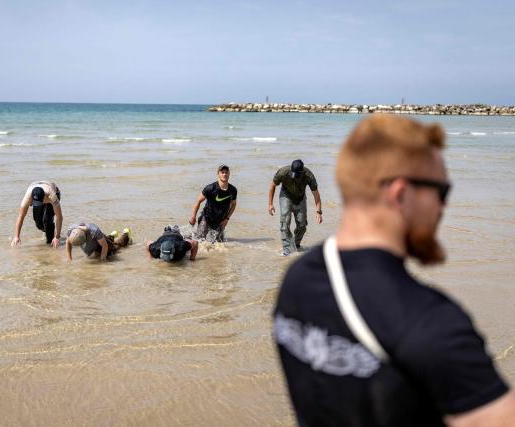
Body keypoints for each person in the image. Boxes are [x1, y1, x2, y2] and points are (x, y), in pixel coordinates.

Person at [273, 115, 515, 426]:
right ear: (400, 194)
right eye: (441, 192)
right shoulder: (431, 322)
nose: (443, 208)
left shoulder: (296, 282)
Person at [268, 159, 322, 256]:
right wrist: (270, 204)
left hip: (300, 198)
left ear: (302, 172)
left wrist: (318, 211)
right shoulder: (283, 172)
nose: (294, 177)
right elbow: (272, 185)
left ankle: (295, 245)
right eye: (293, 174)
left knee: (302, 225)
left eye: (296, 175)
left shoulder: (308, 175)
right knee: (285, 221)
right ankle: (287, 249)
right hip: (286, 196)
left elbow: (316, 193)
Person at [189, 164, 237, 242]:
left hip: (220, 221)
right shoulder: (210, 188)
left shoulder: (233, 190)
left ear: (229, 174)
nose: (224, 174)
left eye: (226, 172)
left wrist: (227, 219)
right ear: (218, 174)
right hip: (206, 218)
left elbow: (234, 204)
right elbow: (198, 201)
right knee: (199, 241)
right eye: (222, 172)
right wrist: (193, 217)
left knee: (219, 243)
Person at [11, 181, 63, 248]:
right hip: (38, 192)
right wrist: (16, 236)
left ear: (45, 196)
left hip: (53, 191)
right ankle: (47, 230)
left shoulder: (52, 196)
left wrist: (57, 237)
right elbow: (21, 217)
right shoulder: (27, 198)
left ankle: (50, 242)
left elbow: (59, 216)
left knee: (47, 219)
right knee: (38, 222)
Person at [66, 222, 131, 261]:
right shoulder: (71, 230)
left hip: (101, 242)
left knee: (115, 249)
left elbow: (104, 245)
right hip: (99, 239)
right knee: (101, 242)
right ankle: (112, 236)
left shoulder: (94, 231)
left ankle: (125, 234)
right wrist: (69, 258)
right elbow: (68, 242)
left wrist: (103, 260)